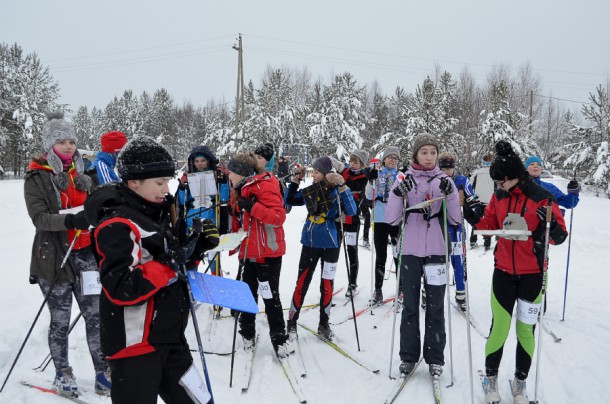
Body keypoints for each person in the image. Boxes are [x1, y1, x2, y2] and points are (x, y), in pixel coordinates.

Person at [85, 136, 219, 404]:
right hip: (135, 347)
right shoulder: (117, 225)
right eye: (159, 182)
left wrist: (194, 249)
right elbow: (121, 286)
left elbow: (170, 261)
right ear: (134, 182)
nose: (164, 188)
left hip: (169, 337)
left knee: (198, 400)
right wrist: (169, 263)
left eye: (167, 181)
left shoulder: (154, 211)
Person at [463, 140, 568, 404]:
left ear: (513, 177)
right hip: (503, 272)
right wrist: (472, 214)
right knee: (499, 328)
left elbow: (560, 236)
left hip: (533, 274)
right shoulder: (500, 196)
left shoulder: (542, 198)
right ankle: (490, 377)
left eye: (501, 182)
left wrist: (551, 224)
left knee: (525, 331)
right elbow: (489, 223)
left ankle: (520, 381)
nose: (497, 187)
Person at [23, 112, 110, 397]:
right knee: (60, 319)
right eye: (62, 141)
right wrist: (70, 221)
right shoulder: (38, 175)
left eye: (72, 140)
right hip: (54, 256)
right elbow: (40, 219)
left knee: (96, 315)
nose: (69, 146)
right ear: (50, 145)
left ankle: (102, 371)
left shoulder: (82, 174)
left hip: (85, 253)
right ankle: (62, 373)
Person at [386, 133, 461, 378]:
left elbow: (455, 219)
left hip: (437, 251)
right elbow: (392, 219)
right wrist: (398, 195)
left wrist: (450, 194)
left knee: (436, 307)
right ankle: (408, 356)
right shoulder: (404, 179)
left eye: (433, 152)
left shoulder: (444, 180)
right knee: (409, 306)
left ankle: (435, 357)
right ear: (416, 155)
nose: (429, 157)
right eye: (424, 152)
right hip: (409, 251)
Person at [284, 156, 357, 340]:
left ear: (326, 174)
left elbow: (352, 211)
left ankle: (324, 324)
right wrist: (295, 180)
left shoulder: (337, 191)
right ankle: (292, 322)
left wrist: (343, 186)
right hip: (310, 242)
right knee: (302, 282)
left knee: (326, 284)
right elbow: (291, 200)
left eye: (316, 172)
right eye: (313, 171)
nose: (313, 175)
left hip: (331, 243)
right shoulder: (312, 190)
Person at [226, 152, 290, 356]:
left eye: (231, 172)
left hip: (268, 253)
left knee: (270, 296)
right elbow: (240, 221)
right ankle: (247, 334)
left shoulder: (266, 184)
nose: (229, 175)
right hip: (248, 251)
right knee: (247, 295)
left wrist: (253, 207)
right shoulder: (240, 187)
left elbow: (278, 217)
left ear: (242, 172)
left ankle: (279, 339)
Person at [438, 151, 483, 311]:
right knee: (438, 262)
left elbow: (472, 197)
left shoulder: (462, 180)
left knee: (458, 260)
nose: (445, 172)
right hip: (438, 227)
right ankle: (428, 292)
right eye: (442, 169)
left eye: (448, 169)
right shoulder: (435, 179)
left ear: (453, 168)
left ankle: (460, 293)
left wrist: (478, 210)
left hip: (456, 226)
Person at [175, 145, 230, 274]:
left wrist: (223, 181)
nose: (200, 164)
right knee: (193, 255)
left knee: (213, 256)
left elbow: (224, 199)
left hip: (211, 218)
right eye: (197, 161)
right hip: (192, 219)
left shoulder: (217, 175)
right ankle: (193, 282)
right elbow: (182, 202)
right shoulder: (188, 176)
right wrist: (182, 186)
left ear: (209, 161)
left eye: (203, 160)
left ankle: (216, 281)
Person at [365, 146, 401, 304]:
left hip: (396, 219)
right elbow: (368, 195)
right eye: (390, 157)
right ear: (384, 159)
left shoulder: (400, 175)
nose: (393, 160)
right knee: (381, 255)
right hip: (379, 218)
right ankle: (378, 290)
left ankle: (401, 290)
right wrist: (370, 180)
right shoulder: (377, 173)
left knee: (398, 254)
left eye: (396, 158)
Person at [340, 149, 370, 298]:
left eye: (356, 162)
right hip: (339, 218)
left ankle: (352, 283)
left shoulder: (364, 177)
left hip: (352, 219)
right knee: (333, 250)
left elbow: (353, 187)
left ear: (362, 164)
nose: (352, 164)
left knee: (351, 250)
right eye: (351, 161)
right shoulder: (344, 172)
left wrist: (342, 179)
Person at [469, 152, 495, 250]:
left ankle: (473, 240)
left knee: (477, 222)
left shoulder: (477, 173)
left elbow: (470, 186)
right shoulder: (494, 173)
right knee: (488, 223)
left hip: (478, 201)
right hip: (490, 202)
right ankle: (487, 243)